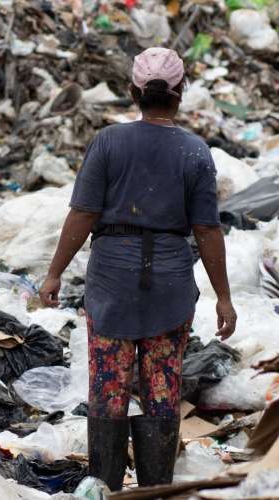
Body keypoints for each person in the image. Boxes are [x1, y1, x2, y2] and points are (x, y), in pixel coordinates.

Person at [38, 47, 237, 490]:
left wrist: (54, 273)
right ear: (180, 92)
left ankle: (104, 489)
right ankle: (155, 491)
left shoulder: (109, 142)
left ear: (134, 91)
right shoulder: (195, 152)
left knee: (108, 386)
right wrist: (224, 297)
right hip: (170, 283)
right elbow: (207, 230)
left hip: (111, 280)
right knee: (163, 388)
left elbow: (83, 214)